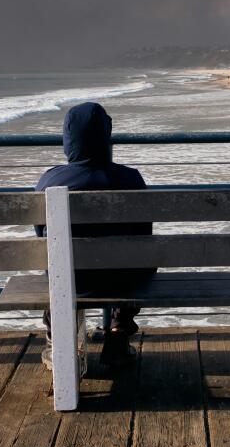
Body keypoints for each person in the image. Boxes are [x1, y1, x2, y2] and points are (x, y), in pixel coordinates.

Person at [35, 102, 153, 368]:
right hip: (124, 281)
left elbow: (41, 238)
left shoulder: (49, 182)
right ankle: (118, 331)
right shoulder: (131, 179)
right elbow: (145, 238)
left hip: (69, 280)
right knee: (139, 260)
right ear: (106, 136)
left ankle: (58, 343)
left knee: (55, 269)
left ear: (68, 140)